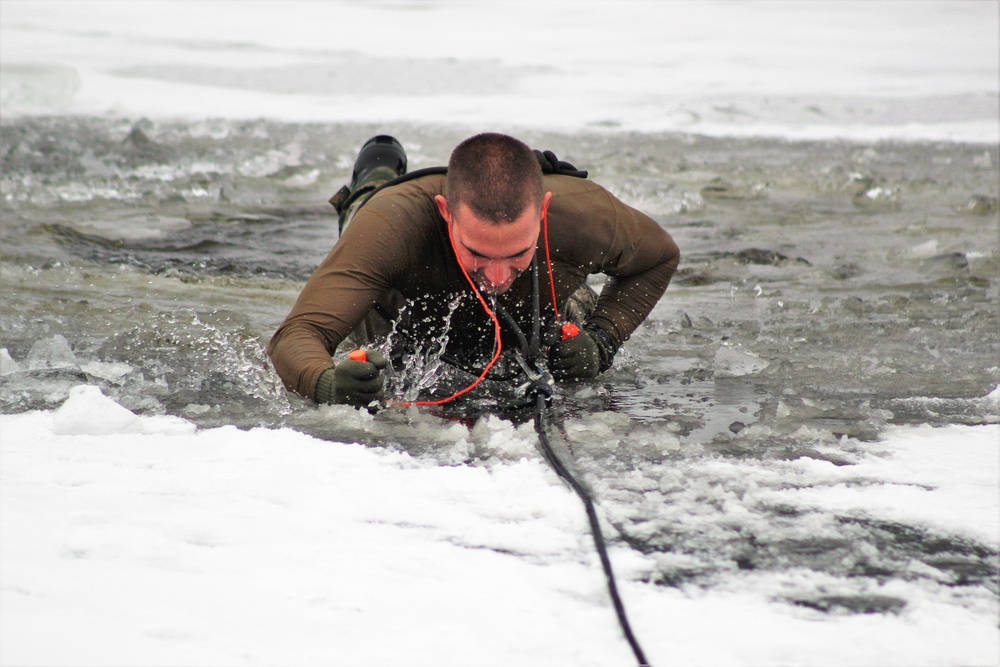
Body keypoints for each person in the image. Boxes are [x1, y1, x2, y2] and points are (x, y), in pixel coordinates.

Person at [267, 132, 680, 407]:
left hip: (536, 307)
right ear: (447, 214)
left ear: (543, 211)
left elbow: (659, 258)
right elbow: (297, 336)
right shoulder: (395, 226)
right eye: (478, 252)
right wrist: (329, 383)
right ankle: (372, 179)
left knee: (576, 312)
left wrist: (601, 341)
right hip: (404, 312)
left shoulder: (585, 215)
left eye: (516, 253)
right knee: (364, 215)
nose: (497, 277)